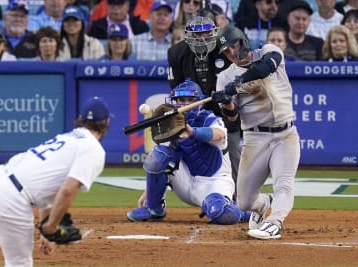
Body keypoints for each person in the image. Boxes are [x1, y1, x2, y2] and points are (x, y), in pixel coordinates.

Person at [0, 96, 111, 266]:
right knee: (19, 263)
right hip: (11, 197)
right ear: (107, 123)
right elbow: (68, 190)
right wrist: (51, 228)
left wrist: (47, 230)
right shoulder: (93, 149)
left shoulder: (68, 138)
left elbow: (46, 189)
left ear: (80, 119)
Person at [212, 25, 300, 239]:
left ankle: (275, 222)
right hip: (255, 137)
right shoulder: (224, 77)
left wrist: (239, 84)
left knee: (284, 183)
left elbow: (265, 68)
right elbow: (232, 121)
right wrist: (226, 104)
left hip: (285, 134)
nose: (231, 53)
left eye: (233, 46)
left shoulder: (270, 51)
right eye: (226, 52)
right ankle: (263, 205)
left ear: (243, 41)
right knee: (244, 202)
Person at [126, 79, 251, 224]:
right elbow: (159, 163)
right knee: (159, 154)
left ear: (201, 102)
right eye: (181, 100)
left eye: (190, 100)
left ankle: (236, 210)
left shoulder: (210, 119)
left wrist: (192, 132)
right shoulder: (171, 124)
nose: (185, 104)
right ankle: (154, 209)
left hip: (213, 182)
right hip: (185, 182)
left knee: (225, 216)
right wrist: (149, 192)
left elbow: (219, 134)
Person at [168, 16, 241, 198]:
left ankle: (240, 201)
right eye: (197, 34)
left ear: (214, 32)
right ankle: (156, 200)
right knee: (167, 154)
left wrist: (229, 111)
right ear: (189, 35)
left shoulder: (226, 50)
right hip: (195, 115)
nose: (201, 38)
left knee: (234, 159)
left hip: (224, 114)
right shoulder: (177, 54)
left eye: (206, 33)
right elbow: (178, 91)